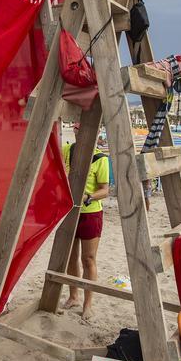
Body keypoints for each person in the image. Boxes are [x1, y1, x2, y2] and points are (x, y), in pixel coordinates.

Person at [62, 123, 110, 319]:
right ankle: (73, 296)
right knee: (70, 257)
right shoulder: (67, 150)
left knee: (88, 259)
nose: (79, 133)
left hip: (90, 213)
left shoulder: (100, 158)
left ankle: (88, 304)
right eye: (77, 130)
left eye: (84, 131)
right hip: (69, 211)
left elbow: (105, 190)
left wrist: (88, 197)